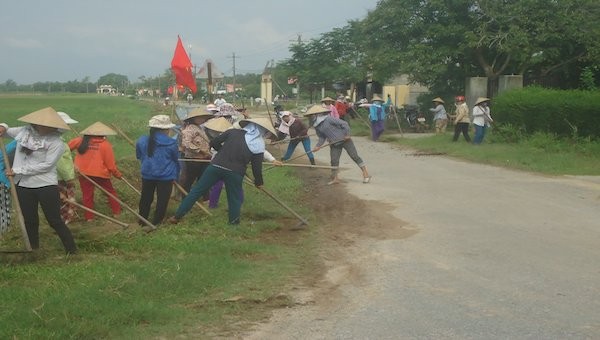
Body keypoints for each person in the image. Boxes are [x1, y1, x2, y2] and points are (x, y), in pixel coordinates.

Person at [169, 118, 280, 225]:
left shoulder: (232, 132)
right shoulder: (259, 143)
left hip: (215, 166)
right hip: (235, 172)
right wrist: (259, 182)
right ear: (263, 130)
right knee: (234, 198)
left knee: (196, 191)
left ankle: (176, 216)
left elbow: (213, 142)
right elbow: (257, 167)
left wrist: (222, 151)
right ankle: (233, 222)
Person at [0, 107, 77, 254]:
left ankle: (72, 251)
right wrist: (3, 127)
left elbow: (47, 166)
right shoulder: (25, 132)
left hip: (45, 185)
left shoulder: (56, 143)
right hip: (23, 185)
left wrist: (18, 170)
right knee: (30, 220)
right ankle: (33, 249)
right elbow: (7, 130)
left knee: (54, 220)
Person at [68, 122, 122, 221]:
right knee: (110, 192)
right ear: (103, 135)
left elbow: (64, 150)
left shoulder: (79, 141)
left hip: (84, 174)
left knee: (87, 195)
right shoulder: (106, 145)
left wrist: (71, 162)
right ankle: (117, 213)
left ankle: (89, 218)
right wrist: (118, 175)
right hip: (100, 174)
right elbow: (111, 166)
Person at [305, 105, 371, 185]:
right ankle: (335, 178)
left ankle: (365, 173)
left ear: (317, 114)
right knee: (334, 160)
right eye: (309, 116)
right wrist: (318, 146)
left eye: (311, 115)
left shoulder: (328, 119)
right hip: (334, 143)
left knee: (354, 156)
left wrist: (347, 134)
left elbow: (344, 124)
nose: (310, 117)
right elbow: (322, 137)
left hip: (345, 140)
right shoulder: (316, 126)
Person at [136, 115, 180, 226]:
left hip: (147, 174)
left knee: (145, 198)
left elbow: (139, 155)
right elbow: (175, 159)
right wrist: (176, 175)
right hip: (166, 176)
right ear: (166, 129)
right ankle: (157, 222)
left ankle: (142, 221)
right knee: (162, 200)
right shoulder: (172, 143)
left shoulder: (142, 140)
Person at [179, 108, 214, 194]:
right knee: (189, 179)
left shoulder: (200, 128)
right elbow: (186, 143)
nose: (202, 120)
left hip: (205, 158)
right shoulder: (189, 129)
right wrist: (200, 151)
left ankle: (203, 197)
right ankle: (185, 196)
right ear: (193, 118)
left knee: (203, 179)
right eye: (199, 118)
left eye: (203, 118)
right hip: (194, 159)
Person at [56, 111, 79, 224]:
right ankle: (64, 224)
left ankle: (63, 223)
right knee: (66, 203)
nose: (68, 127)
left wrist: (73, 165)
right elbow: (60, 164)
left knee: (63, 202)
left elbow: (66, 161)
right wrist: (69, 178)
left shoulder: (59, 141)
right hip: (62, 179)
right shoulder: (58, 144)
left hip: (58, 178)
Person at [0, 140, 16, 234]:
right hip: (2, 184)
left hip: (2, 184)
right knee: (4, 209)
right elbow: (13, 145)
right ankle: (4, 231)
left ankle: (4, 231)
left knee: (3, 209)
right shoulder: (1, 154)